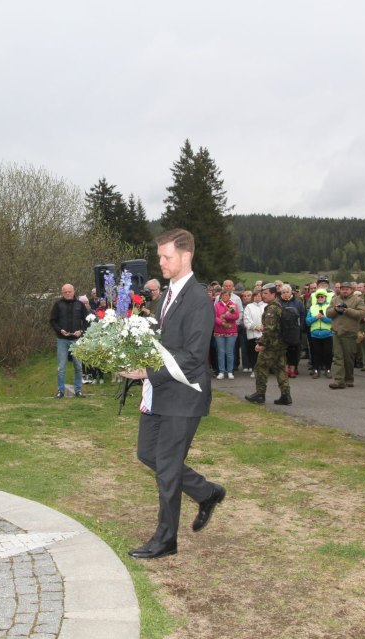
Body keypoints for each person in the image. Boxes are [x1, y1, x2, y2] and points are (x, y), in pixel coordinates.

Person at [119, 228, 223, 560]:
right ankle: (206, 492)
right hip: (161, 391)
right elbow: (161, 344)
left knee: (166, 465)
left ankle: (166, 539)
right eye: (160, 257)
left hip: (185, 395)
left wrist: (146, 372)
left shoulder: (198, 300)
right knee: (148, 453)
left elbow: (192, 357)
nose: (161, 263)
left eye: (167, 257)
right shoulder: (164, 296)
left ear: (186, 255)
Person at [245, 283, 292, 405]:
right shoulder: (278, 306)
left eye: (266, 293)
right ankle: (286, 395)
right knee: (280, 369)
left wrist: (261, 343)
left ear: (273, 294)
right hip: (280, 344)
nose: (263, 296)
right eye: (262, 293)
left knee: (260, 367)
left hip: (271, 345)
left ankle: (260, 394)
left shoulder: (272, 309)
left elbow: (269, 330)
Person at [325, 281, 365, 389]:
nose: (344, 291)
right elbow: (328, 313)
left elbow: (362, 314)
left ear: (351, 290)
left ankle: (349, 379)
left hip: (350, 333)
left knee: (349, 358)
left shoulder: (357, 300)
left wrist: (347, 310)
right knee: (338, 357)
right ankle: (339, 380)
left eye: (347, 289)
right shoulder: (335, 299)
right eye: (343, 289)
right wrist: (335, 309)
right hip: (336, 332)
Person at [50, 283, 87, 398]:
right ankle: (60, 391)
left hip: (76, 340)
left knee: (78, 366)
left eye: (69, 291)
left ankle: (78, 390)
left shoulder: (80, 304)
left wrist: (81, 331)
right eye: (65, 292)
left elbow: (87, 320)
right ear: (62, 293)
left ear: (73, 291)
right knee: (61, 367)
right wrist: (60, 330)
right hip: (62, 340)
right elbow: (52, 321)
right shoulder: (57, 305)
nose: (67, 293)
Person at [277, 284, 305, 378]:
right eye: (283, 292)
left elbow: (302, 315)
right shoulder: (278, 303)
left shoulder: (298, 303)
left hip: (295, 331)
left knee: (294, 352)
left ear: (291, 292)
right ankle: (285, 369)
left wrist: (301, 327)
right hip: (283, 331)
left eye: (287, 292)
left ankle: (293, 370)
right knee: (284, 352)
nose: (285, 294)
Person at [213, 288, 240, 379]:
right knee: (221, 352)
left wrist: (225, 316)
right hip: (219, 331)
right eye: (223, 295)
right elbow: (214, 316)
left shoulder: (233, 305)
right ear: (221, 296)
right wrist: (222, 323)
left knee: (229, 352)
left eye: (227, 295)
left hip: (231, 331)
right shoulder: (216, 305)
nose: (225, 296)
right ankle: (221, 371)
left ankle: (230, 371)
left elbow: (236, 316)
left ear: (229, 296)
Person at [306, 290, 333, 378]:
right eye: (318, 297)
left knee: (328, 353)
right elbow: (307, 321)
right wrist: (316, 317)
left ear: (325, 297)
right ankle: (316, 370)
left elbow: (333, 320)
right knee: (316, 354)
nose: (320, 298)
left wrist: (324, 318)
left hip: (327, 333)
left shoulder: (330, 307)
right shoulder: (312, 307)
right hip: (315, 334)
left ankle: (328, 370)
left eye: (322, 297)